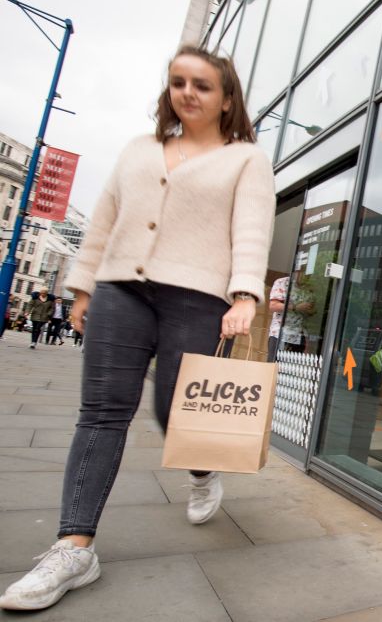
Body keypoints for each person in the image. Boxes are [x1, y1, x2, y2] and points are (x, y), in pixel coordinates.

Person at [0, 46, 275, 611]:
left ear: (226, 99)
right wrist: (82, 287)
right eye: (178, 82)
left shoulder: (245, 159)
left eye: (202, 84)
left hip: (197, 298)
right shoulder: (138, 150)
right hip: (121, 289)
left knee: (175, 412)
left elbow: (251, 228)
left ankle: (202, 470)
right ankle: (74, 547)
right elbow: (103, 219)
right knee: (102, 412)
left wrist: (244, 293)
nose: (188, 92)